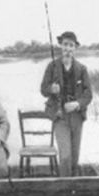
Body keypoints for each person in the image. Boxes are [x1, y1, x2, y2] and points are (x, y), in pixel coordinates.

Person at [40, 31, 93, 177]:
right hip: (60, 116)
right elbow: (43, 89)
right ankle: (65, 189)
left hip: (77, 116)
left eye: (71, 45)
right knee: (65, 157)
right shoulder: (52, 66)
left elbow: (88, 95)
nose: (67, 48)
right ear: (60, 46)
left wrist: (77, 104)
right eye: (65, 45)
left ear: (75, 48)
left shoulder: (82, 69)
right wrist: (52, 89)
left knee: (74, 158)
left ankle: (73, 189)